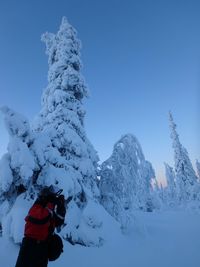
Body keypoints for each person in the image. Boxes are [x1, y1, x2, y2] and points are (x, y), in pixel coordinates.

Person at [15, 186, 72, 267]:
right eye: (52, 196)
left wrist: (61, 207)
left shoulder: (48, 210)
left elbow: (58, 222)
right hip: (30, 248)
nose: (54, 198)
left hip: (42, 249)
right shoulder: (37, 206)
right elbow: (41, 219)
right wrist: (51, 203)